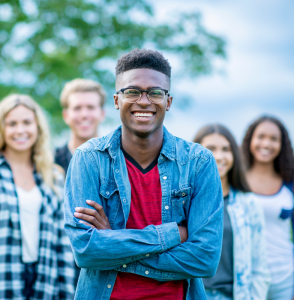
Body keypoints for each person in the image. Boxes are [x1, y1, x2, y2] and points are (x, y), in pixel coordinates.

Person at [64, 48, 223, 300]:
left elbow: (204, 260)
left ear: (168, 101)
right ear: (117, 100)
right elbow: (86, 251)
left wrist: (113, 243)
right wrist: (173, 234)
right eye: (132, 91)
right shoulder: (89, 159)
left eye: (155, 92)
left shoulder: (199, 162)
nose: (144, 101)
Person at [0, 94, 75, 300]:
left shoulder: (54, 176)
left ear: (37, 127)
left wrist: (66, 293)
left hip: (45, 285)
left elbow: (62, 243)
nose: (20, 130)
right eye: (12, 123)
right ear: (1, 129)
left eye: (27, 122)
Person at [194, 124, 270, 300]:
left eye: (226, 149)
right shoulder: (184, 202)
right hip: (193, 294)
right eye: (210, 149)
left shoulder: (249, 203)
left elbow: (259, 267)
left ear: (234, 155)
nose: (219, 156)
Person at [242, 116, 294, 300]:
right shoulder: (236, 181)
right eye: (261, 136)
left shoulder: (290, 184)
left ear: (282, 145)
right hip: (245, 277)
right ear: (250, 140)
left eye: (274, 139)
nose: (266, 143)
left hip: (286, 277)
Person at [55, 78, 106, 174]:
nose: (84, 115)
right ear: (65, 115)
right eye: (77, 108)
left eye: (91, 107)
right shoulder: (52, 162)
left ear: (102, 114)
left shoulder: (118, 159)